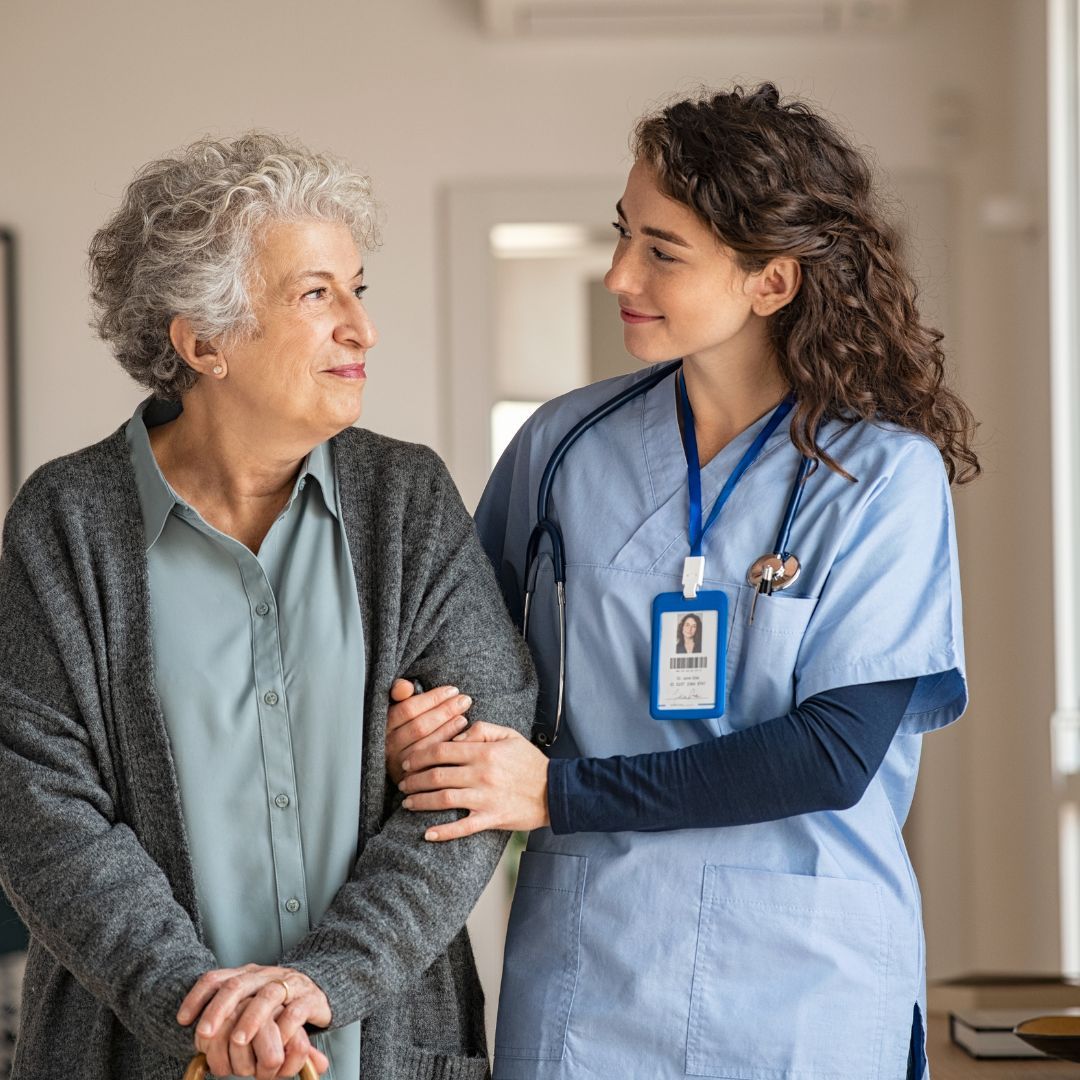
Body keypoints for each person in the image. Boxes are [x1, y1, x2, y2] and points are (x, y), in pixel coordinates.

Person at [386, 84, 977, 1080]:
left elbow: (833, 754)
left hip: (805, 984)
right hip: (594, 971)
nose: (619, 271)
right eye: (624, 235)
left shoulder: (881, 478)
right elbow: (468, 664)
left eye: (663, 251)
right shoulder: (561, 449)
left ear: (771, 281)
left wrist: (558, 795)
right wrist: (428, 726)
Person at [0, 132, 535, 1080]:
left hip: (387, 1050)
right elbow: (40, 811)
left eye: (357, 290)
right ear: (203, 342)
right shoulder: (65, 521)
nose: (362, 331)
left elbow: (475, 780)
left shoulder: (406, 502)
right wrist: (209, 1017)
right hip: (132, 1052)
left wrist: (327, 981)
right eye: (316, 294)